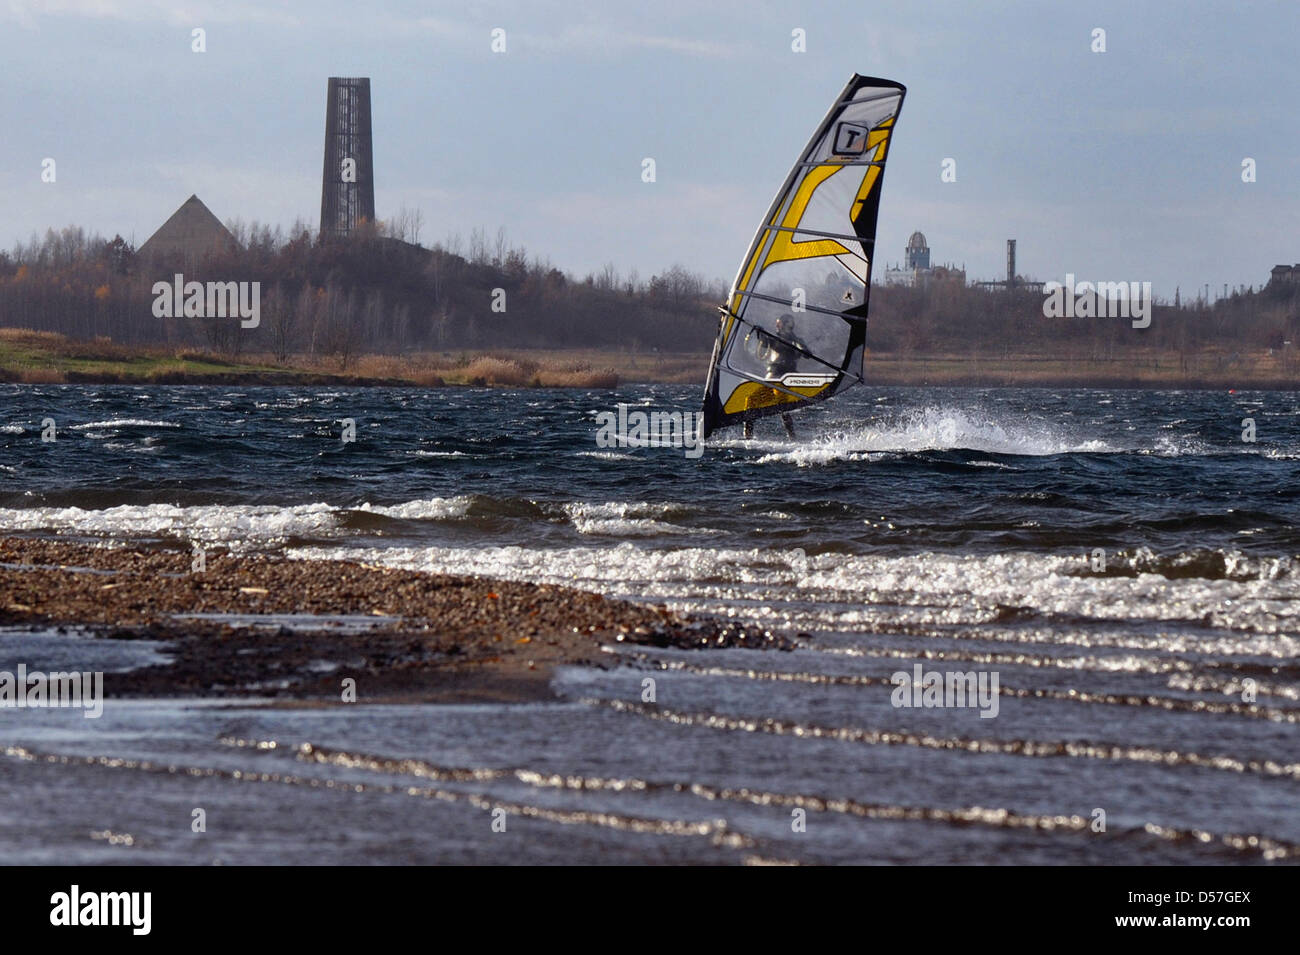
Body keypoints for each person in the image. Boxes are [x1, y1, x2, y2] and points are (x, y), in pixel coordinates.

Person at [743, 314, 803, 439]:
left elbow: (807, 353)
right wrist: (761, 333)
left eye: (779, 323)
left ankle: (792, 437)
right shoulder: (775, 338)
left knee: (782, 407)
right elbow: (765, 343)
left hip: (783, 379)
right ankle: (748, 436)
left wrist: (797, 344)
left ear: (787, 324)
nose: (777, 325)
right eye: (777, 323)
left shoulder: (795, 340)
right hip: (771, 380)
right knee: (751, 401)